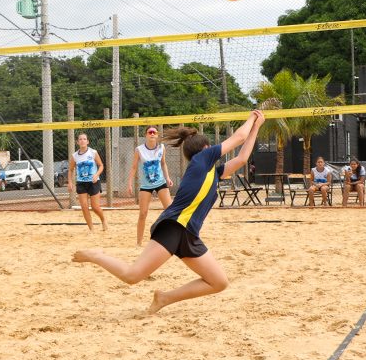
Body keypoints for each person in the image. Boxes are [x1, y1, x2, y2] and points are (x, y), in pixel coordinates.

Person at [73, 110, 265, 315]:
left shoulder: (213, 172)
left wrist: (257, 127)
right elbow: (238, 138)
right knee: (132, 276)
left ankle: (165, 298)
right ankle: (97, 255)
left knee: (219, 282)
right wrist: (253, 117)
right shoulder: (202, 160)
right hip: (173, 227)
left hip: (189, 234)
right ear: (206, 149)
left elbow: (243, 158)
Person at [126, 126, 173, 245]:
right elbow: (134, 167)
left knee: (170, 211)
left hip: (160, 182)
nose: (152, 134)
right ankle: (139, 242)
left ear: (157, 135)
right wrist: (130, 183)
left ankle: (171, 237)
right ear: (146, 135)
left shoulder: (161, 147)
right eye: (149, 132)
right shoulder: (139, 150)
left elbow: (163, 163)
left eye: (154, 132)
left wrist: (167, 178)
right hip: (146, 185)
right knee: (143, 213)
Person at [68, 132, 107, 231]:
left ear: (88, 141)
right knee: (84, 207)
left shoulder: (93, 152)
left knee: (95, 207)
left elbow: (101, 165)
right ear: (77, 142)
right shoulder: (75, 156)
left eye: (84, 139)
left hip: (93, 182)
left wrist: (97, 174)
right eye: (80, 139)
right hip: (81, 183)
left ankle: (103, 220)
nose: (82, 141)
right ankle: (91, 229)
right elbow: (71, 169)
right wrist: (70, 182)